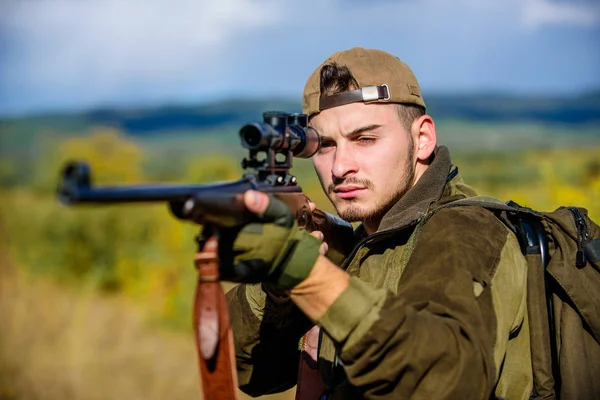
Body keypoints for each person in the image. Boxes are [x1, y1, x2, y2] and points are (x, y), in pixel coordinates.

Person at [225, 47, 532, 399]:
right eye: (324, 146)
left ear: (423, 139)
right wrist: (277, 290)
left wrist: (308, 276)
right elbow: (254, 375)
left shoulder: (466, 231)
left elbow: (446, 381)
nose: (340, 167)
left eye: (365, 139)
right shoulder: (363, 242)